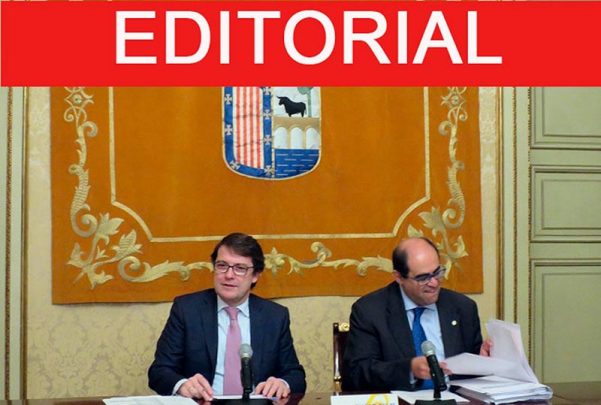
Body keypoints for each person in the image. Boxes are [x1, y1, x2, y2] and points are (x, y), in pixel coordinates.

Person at [148, 232, 306, 401]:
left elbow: (295, 375)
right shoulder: (187, 310)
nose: (229, 275)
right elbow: (159, 371)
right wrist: (182, 385)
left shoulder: (274, 316)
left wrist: (282, 383)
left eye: (240, 268)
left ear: (255, 275)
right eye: (222, 265)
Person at [342, 237, 492, 392]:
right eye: (423, 278)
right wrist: (409, 370)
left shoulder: (462, 307)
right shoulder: (370, 311)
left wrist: (482, 361)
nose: (434, 283)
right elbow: (355, 374)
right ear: (399, 277)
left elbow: (470, 371)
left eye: (437, 273)